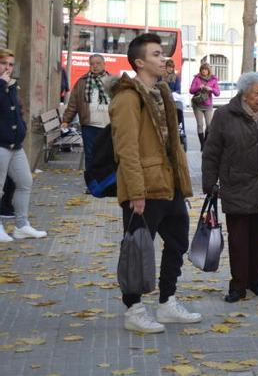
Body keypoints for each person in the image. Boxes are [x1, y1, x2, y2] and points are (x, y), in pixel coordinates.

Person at [110, 33, 200, 333]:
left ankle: (166, 302)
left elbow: (173, 143)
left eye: (163, 54)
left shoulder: (162, 92)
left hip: (169, 184)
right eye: (157, 55)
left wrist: (182, 183)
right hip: (144, 188)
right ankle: (133, 309)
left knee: (177, 242)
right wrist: (135, 192)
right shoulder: (127, 98)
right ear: (139, 62)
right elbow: (126, 149)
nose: (164, 59)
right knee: (137, 248)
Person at [202, 71, 258, 303]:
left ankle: (255, 281)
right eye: (257, 93)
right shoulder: (225, 115)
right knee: (239, 240)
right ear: (244, 93)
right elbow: (211, 152)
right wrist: (210, 183)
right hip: (236, 185)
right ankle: (238, 285)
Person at [0, 49, 46, 243]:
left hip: (15, 145)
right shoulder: (3, 85)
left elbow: (17, 110)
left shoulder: (11, 85)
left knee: (25, 182)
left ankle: (21, 226)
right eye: (3, 63)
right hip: (1, 143)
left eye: (11, 64)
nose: (7, 68)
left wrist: (22, 127)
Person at [61, 54, 110, 175]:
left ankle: (104, 182)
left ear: (104, 64)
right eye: (92, 64)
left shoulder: (112, 81)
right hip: (89, 125)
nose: (95, 66)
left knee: (106, 154)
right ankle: (92, 182)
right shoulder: (82, 82)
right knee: (90, 155)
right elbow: (73, 104)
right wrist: (66, 120)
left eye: (98, 63)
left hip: (108, 125)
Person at [189, 63, 220, 149]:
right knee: (200, 125)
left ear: (208, 70)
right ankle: (202, 145)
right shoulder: (196, 78)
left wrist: (211, 89)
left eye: (205, 69)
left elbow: (218, 93)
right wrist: (198, 87)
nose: (204, 71)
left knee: (209, 125)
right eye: (202, 69)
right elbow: (191, 90)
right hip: (197, 105)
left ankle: (206, 142)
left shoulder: (213, 80)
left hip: (208, 105)